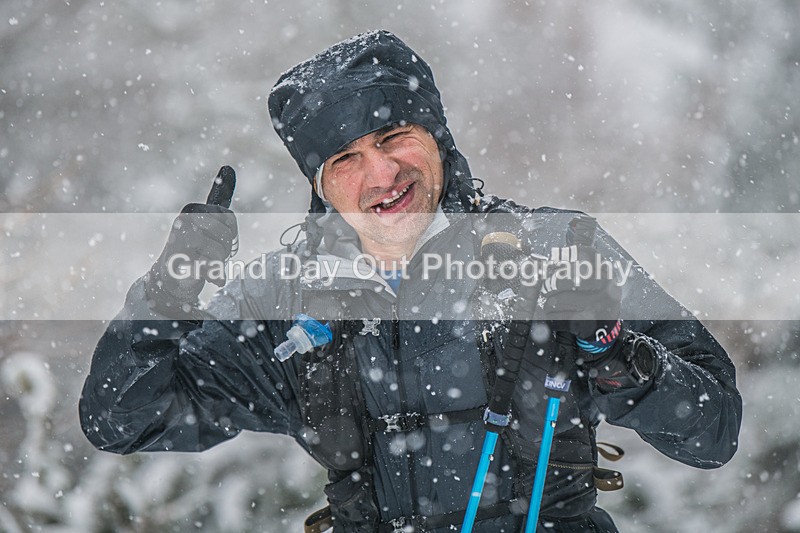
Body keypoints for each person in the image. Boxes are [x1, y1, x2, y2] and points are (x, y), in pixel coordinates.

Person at [80, 30, 742, 532]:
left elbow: (714, 429)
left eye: (394, 137)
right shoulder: (290, 301)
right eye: (346, 157)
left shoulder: (555, 250)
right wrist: (173, 286)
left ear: (437, 137)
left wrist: (615, 350)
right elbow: (120, 419)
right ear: (320, 186)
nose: (381, 174)